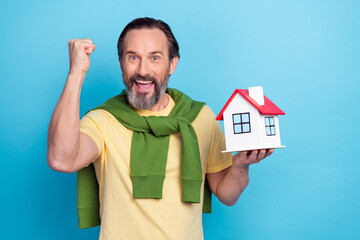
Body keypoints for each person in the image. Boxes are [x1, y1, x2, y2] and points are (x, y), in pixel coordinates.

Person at [47, 17, 274, 240]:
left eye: (154, 58)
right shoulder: (103, 120)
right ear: (121, 62)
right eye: (132, 57)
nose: (143, 70)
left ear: (172, 64)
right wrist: (77, 72)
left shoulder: (200, 118)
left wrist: (240, 166)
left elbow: (227, 195)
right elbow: (61, 159)